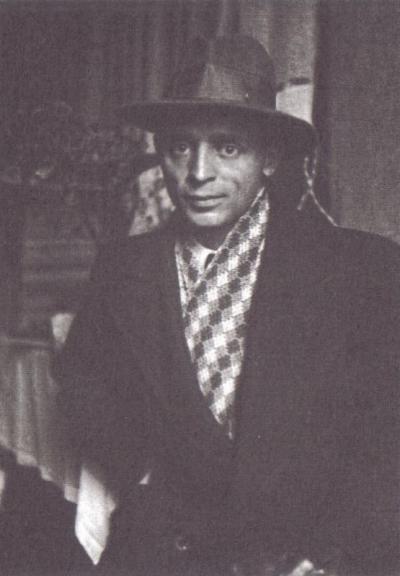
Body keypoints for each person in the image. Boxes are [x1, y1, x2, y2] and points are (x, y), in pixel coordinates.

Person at [56, 36, 400, 576]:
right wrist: (142, 471)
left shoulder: (360, 270)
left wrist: (329, 556)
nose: (199, 172)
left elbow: (386, 439)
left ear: (270, 157)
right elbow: (80, 384)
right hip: (166, 557)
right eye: (179, 147)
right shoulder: (123, 269)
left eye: (227, 148)